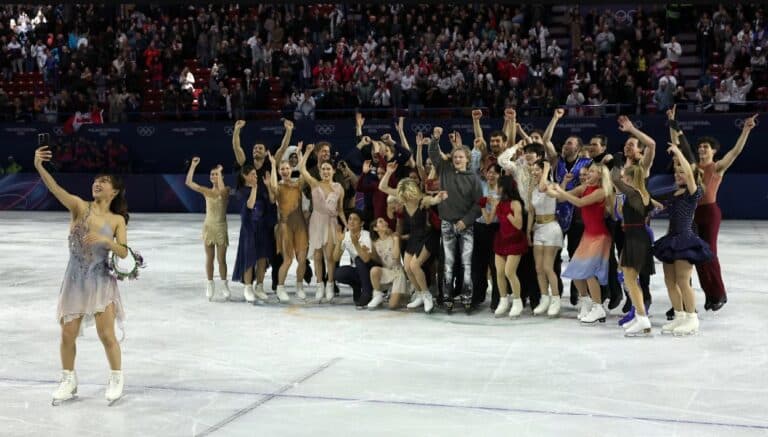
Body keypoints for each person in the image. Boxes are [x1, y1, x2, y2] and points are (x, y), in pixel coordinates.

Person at [35, 146, 129, 404]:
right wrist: (40, 166)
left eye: (104, 181)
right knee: (67, 333)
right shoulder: (79, 206)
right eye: (96, 180)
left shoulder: (117, 220)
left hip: (100, 280)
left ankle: (116, 377)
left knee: (106, 334)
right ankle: (68, 379)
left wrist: (106, 241)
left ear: (115, 191)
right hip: (75, 280)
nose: (97, 183)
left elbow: (123, 252)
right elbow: (56, 189)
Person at [654, 142, 713, 336]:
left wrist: (679, 152)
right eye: (675, 171)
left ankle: (691, 318)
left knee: (682, 280)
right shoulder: (674, 193)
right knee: (670, 281)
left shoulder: (693, 193)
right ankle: (679, 316)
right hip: (671, 239)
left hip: (686, 239)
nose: (677, 174)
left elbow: (688, 173)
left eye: (681, 172)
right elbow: (663, 208)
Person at [546, 163, 614, 324]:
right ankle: (586, 301)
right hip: (588, 235)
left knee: (589, 273)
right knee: (575, 271)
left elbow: (580, 203)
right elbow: (562, 197)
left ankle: (598, 308)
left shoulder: (601, 191)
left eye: (592, 171)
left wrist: (561, 191)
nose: (588, 174)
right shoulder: (584, 187)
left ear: (600, 175)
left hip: (599, 236)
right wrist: (550, 188)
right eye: (588, 171)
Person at [377, 162, 446, 313]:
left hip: (428, 237)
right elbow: (382, 187)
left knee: (414, 266)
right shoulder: (404, 197)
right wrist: (388, 173)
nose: (402, 199)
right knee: (408, 268)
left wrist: (439, 198)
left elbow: (433, 201)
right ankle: (420, 294)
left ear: (411, 192)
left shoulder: (423, 200)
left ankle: (427, 295)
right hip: (415, 237)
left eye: (405, 195)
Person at [428, 126, 483, 313]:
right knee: (448, 264)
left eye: (461, 156)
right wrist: (435, 139)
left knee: (467, 263)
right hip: (446, 224)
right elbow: (434, 154)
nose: (457, 159)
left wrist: (466, 221)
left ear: (467, 159)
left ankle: (467, 297)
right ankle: (447, 297)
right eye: (455, 156)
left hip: (465, 226)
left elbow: (478, 205)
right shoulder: (444, 169)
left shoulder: (474, 179)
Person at [610, 162, 656, 336]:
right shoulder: (643, 194)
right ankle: (639, 315)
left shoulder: (633, 193)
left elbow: (614, 178)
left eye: (624, 178)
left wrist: (615, 160)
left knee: (630, 279)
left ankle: (643, 318)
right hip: (636, 237)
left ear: (629, 178)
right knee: (629, 277)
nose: (622, 180)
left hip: (636, 238)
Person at [299, 143, 347, 303]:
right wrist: (305, 153)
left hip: (332, 223)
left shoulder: (339, 187)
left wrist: (346, 225)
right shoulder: (314, 183)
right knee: (318, 256)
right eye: (323, 169)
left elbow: (340, 209)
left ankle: (330, 284)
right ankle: (320, 284)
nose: (326, 171)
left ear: (333, 171)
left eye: (328, 169)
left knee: (330, 257)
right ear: (320, 172)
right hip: (316, 222)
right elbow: (302, 169)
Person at [185, 158, 231, 301]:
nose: (214, 176)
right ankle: (210, 284)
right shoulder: (206, 191)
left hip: (221, 227)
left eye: (216, 174)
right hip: (208, 227)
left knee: (221, 259)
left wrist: (220, 171)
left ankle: (224, 284)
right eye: (212, 174)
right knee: (209, 258)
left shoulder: (226, 190)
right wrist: (193, 166)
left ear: (222, 176)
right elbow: (189, 183)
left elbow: (222, 192)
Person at [267, 149, 308, 302]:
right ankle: (280, 287)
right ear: (279, 171)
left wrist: (301, 155)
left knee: (302, 259)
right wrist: (272, 165)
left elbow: (304, 174)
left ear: (291, 170)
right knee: (288, 260)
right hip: (285, 227)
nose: (284, 171)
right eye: (282, 169)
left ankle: (299, 286)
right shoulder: (278, 186)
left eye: (287, 168)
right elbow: (272, 187)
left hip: (300, 225)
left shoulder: (297, 184)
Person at [231, 164, 275, 303]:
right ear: (245, 176)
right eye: (253, 174)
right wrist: (255, 188)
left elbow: (272, 201)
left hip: (262, 227)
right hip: (249, 228)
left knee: (262, 258)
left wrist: (268, 186)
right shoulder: (241, 191)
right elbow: (250, 205)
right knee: (249, 258)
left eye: (256, 175)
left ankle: (260, 286)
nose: (256, 177)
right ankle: (248, 287)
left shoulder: (261, 189)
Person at [488, 175, 528, 317]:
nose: (496, 188)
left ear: (504, 187)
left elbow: (519, 225)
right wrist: (488, 207)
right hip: (502, 239)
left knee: (509, 272)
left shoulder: (516, 203)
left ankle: (518, 302)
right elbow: (488, 220)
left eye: (499, 186)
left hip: (515, 239)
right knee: (498, 273)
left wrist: (507, 214)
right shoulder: (499, 203)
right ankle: (503, 300)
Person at [528, 160, 563, 317]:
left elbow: (546, 189)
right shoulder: (533, 189)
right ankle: (544, 298)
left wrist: (547, 169)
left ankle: (556, 299)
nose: (534, 172)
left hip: (551, 229)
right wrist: (528, 230)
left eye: (537, 170)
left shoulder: (552, 186)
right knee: (538, 268)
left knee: (548, 267)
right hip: (538, 229)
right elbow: (531, 211)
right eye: (533, 170)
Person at [334, 210, 374, 308]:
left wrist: (356, 244)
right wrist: (339, 242)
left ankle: (367, 293)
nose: (351, 222)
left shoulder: (367, 236)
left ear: (362, 223)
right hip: (359, 270)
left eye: (355, 219)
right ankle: (356, 285)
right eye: (350, 219)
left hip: (372, 269)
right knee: (339, 273)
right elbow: (335, 258)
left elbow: (366, 259)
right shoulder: (346, 236)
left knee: (358, 259)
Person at [368, 218, 408, 310]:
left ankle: (405, 290)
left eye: (384, 221)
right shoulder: (375, 243)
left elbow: (396, 257)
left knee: (392, 306)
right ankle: (378, 295)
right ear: (375, 228)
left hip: (397, 273)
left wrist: (396, 239)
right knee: (374, 270)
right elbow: (377, 259)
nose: (385, 222)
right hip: (387, 272)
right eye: (380, 222)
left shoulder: (393, 237)